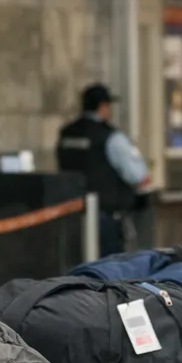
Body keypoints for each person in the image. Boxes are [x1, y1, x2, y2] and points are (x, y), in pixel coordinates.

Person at [57, 83, 150, 257]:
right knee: (108, 271)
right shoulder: (111, 137)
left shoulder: (67, 133)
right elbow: (137, 175)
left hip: (71, 218)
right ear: (102, 106)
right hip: (106, 218)